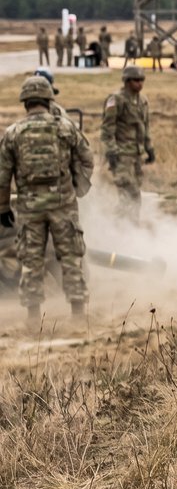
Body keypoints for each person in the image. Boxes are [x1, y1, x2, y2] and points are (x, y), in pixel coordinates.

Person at [0, 76, 93, 329]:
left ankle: (32, 317)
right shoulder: (64, 127)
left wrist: (4, 209)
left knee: (31, 261)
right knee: (71, 256)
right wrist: (77, 188)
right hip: (63, 205)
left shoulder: (13, 133)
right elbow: (86, 157)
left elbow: (3, 176)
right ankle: (77, 314)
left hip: (30, 208)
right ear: (48, 99)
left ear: (25, 103)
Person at [101, 66, 154, 222]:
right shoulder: (116, 100)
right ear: (127, 81)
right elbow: (107, 129)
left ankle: (128, 227)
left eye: (142, 80)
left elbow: (145, 127)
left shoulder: (142, 101)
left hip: (136, 155)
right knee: (130, 195)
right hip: (122, 155)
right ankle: (121, 227)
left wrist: (149, 148)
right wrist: (111, 151)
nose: (140, 84)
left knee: (134, 195)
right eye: (136, 80)